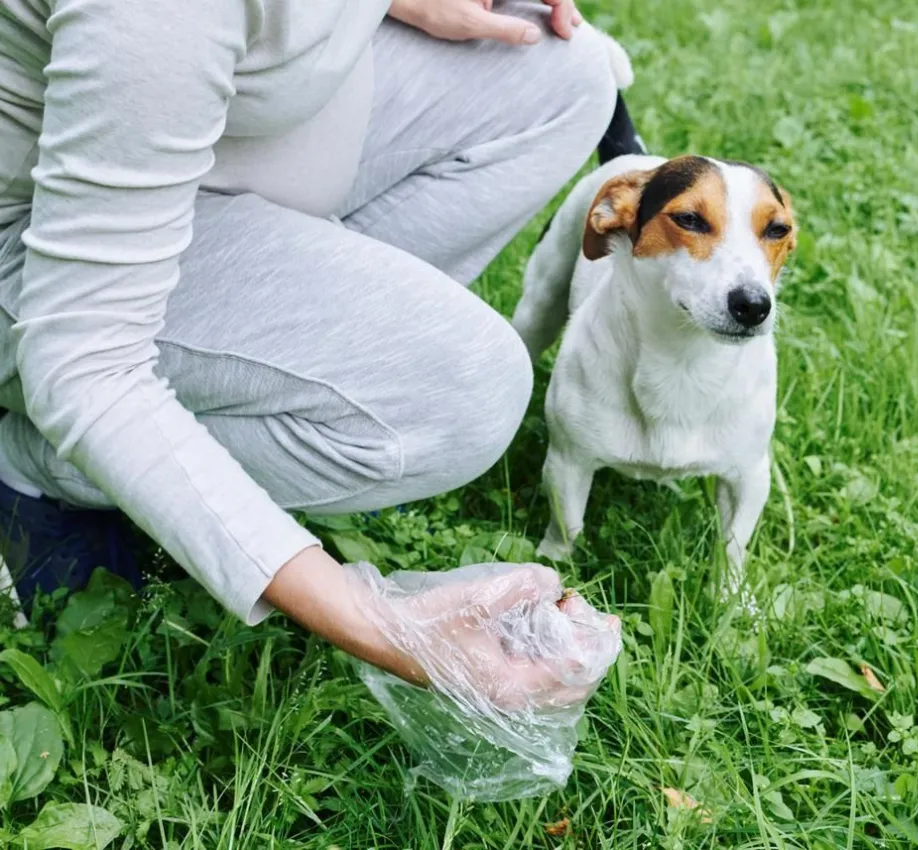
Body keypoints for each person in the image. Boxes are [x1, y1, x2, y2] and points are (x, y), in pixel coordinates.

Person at [0, 0, 621, 700]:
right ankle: (41, 461)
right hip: (43, 247)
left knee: (558, 71)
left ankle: (257, 387)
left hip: (201, 129)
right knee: (462, 391)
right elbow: (84, 360)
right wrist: (381, 623)